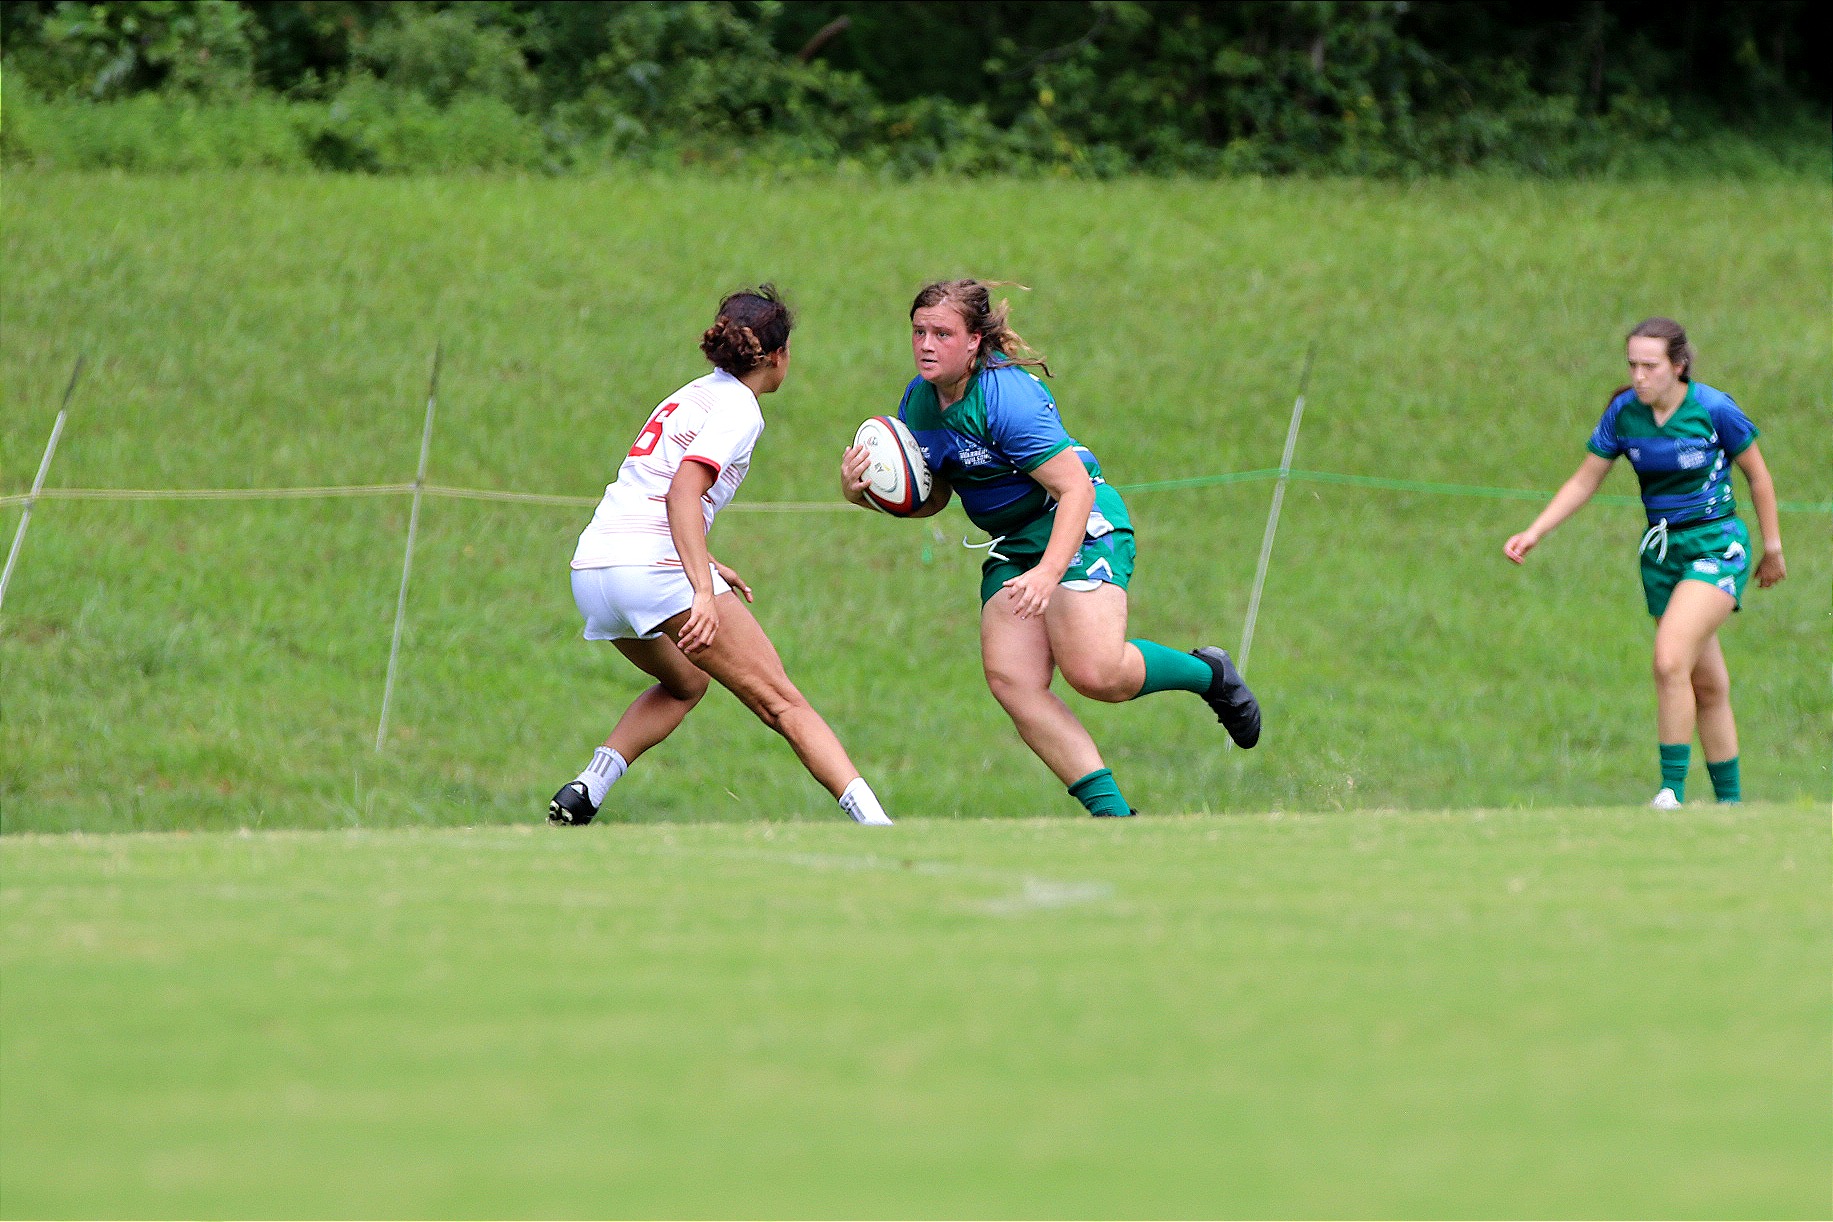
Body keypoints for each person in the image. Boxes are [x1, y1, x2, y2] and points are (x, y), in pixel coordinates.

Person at [840, 278, 1260, 819]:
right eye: (919, 331)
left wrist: (1048, 574)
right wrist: (866, 494)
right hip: (1016, 542)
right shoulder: (919, 402)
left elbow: (1075, 489)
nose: (926, 344)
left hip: (1077, 524)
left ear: (974, 342)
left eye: (942, 333)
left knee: (1096, 673)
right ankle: (1115, 819)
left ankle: (1211, 675)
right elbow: (937, 494)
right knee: (1013, 680)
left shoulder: (1006, 399)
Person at [550, 286, 892, 827]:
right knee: (783, 703)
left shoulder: (690, 394)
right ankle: (879, 827)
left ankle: (588, 786)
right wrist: (702, 590)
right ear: (777, 356)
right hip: (651, 571)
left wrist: (704, 560)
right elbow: (682, 491)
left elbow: (653, 488)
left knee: (686, 683)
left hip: (592, 570)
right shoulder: (740, 408)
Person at [1504, 317, 1786, 808]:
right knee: (1707, 683)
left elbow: (1758, 477)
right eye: (1633, 365)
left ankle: (1669, 794)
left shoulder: (1714, 409)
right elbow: (1583, 480)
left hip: (1717, 546)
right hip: (1661, 555)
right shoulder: (1623, 414)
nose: (1639, 376)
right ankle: (1732, 808)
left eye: (1650, 366)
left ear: (1678, 366)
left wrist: (1773, 548)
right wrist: (1534, 531)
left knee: (1669, 658)